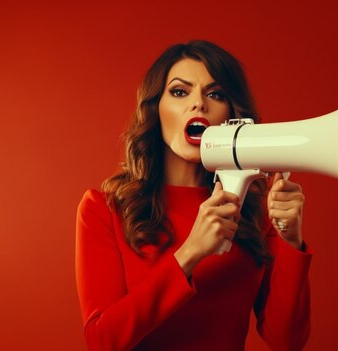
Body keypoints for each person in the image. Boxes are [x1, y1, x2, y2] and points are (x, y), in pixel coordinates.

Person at [75, 40, 312, 351]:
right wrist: (190, 253)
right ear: (155, 108)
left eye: (215, 94)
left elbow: (287, 341)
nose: (199, 104)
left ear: (231, 114)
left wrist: (290, 240)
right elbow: (102, 341)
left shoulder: (254, 212)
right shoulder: (104, 209)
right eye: (179, 92)